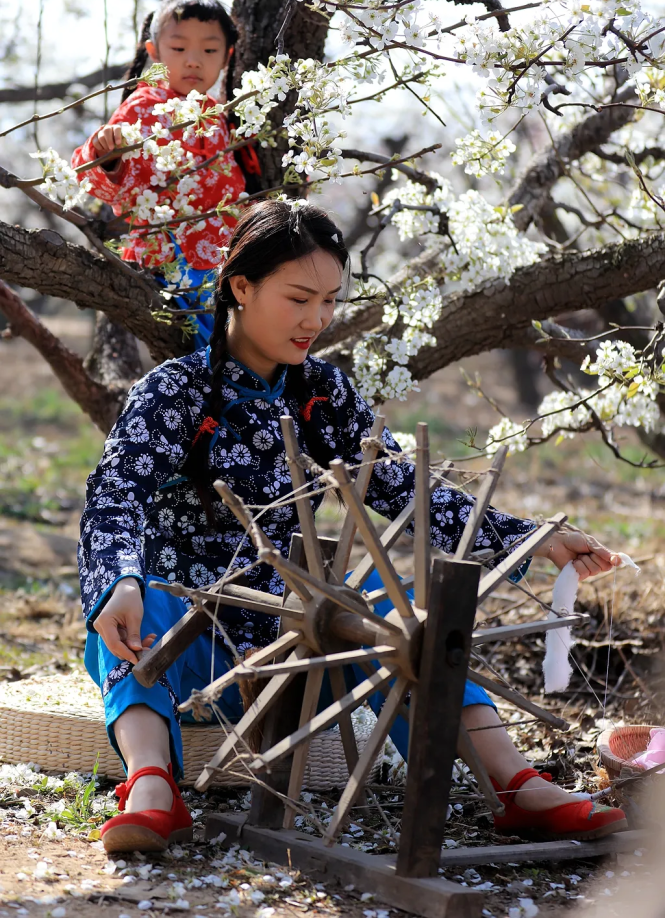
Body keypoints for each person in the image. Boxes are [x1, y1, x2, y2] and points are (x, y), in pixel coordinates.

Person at [78, 200, 627, 853]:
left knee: (398, 622)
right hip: (185, 648)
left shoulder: (321, 393)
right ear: (240, 287)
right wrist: (120, 582)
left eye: (330, 301)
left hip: (292, 648)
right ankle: (151, 786)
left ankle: (514, 784)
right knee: (141, 607)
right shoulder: (174, 392)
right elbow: (114, 496)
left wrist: (528, 537)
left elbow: (402, 487)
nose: (316, 320)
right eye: (298, 298)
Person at [71, 0, 261, 349]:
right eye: (178, 48)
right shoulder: (145, 106)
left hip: (226, 261)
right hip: (170, 259)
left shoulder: (221, 116)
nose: (193, 61)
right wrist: (107, 154)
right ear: (154, 52)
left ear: (227, 56)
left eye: (209, 50)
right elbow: (96, 176)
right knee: (224, 349)